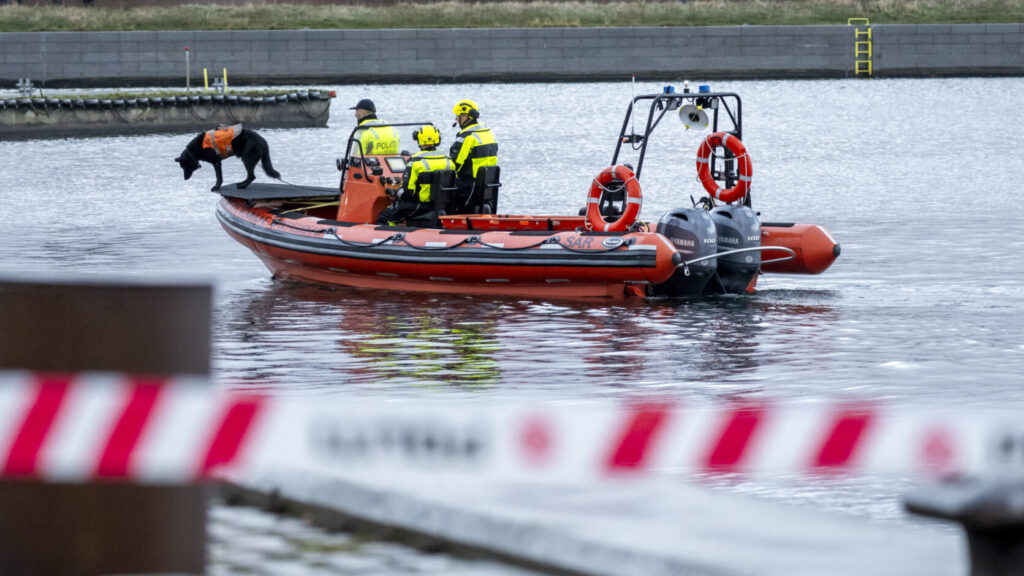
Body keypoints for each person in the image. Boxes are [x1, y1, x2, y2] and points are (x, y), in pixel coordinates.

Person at [377, 125, 453, 226]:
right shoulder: (448, 161)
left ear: (419, 140)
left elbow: (407, 192)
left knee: (385, 217)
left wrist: (394, 192)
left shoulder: (416, 162)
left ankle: (391, 239)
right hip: (441, 204)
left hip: (420, 205)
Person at [449, 99, 498, 212]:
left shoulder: (467, 138)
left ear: (467, 116)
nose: (456, 119)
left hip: (467, 189)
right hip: (486, 189)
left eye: (459, 116)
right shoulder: (489, 134)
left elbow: (455, 166)